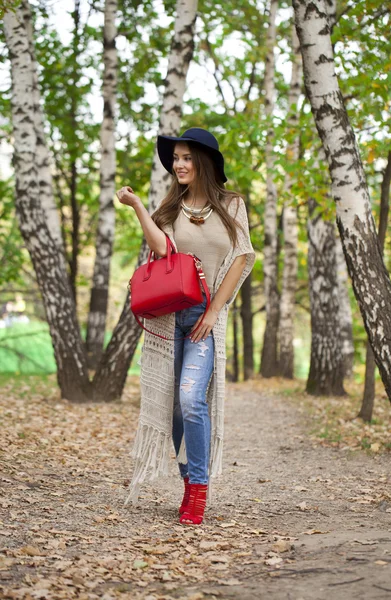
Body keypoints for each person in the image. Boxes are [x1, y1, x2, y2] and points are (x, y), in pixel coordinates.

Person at [117, 128, 255, 525]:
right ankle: (186, 478)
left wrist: (214, 312)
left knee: (193, 399)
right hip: (168, 320)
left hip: (203, 320)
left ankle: (197, 492)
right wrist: (139, 207)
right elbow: (162, 249)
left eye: (186, 158)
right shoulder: (171, 208)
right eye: (175, 158)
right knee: (174, 407)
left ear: (204, 162)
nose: (178, 164)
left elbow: (242, 259)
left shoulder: (232, 205)